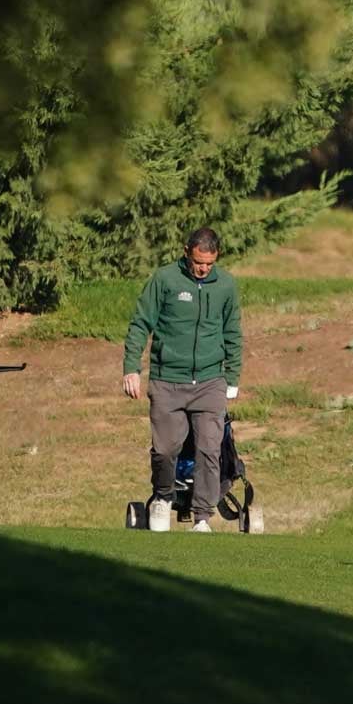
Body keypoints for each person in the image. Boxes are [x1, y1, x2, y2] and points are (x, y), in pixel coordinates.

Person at [122, 227, 242, 533]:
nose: (203, 269)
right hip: (167, 380)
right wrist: (131, 367)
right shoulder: (165, 280)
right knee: (165, 449)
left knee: (209, 448)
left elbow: (232, 333)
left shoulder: (225, 285)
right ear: (186, 251)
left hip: (210, 380)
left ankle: (203, 516)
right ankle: (163, 498)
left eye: (209, 264)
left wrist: (232, 377)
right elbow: (140, 324)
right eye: (198, 262)